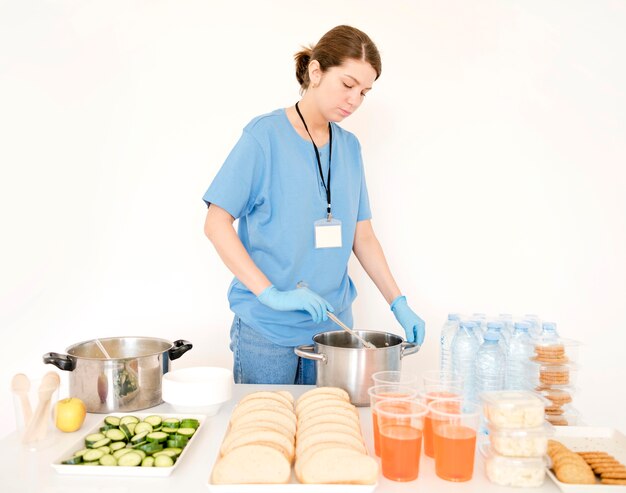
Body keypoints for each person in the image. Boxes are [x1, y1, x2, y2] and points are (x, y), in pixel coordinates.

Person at [203, 25, 425, 385]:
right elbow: (216, 223)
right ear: (316, 71)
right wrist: (270, 295)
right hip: (267, 330)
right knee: (264, 435)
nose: (354, 100)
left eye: (365, 92)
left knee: (327, 434)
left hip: (333, 333)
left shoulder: (349, 148)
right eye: (348, 84)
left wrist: (398, 301)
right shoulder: (264, 137)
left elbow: (362, 236)